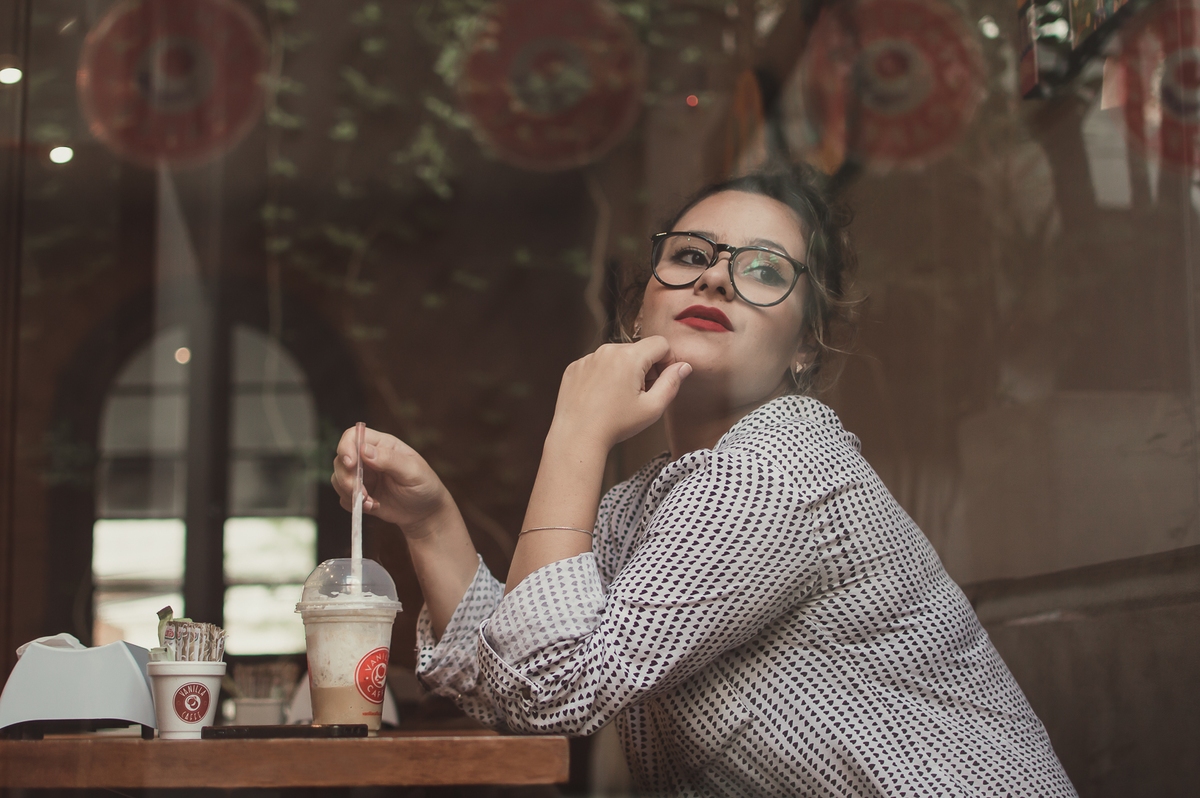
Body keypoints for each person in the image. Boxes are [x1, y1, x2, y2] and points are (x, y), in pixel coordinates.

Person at [331, 165, 1078, 797]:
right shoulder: (653, 501)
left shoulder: (773, 469)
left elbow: (545, 687)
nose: (717, 276)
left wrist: (577, 429)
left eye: (763, 270)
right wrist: (432, 522)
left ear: (803, 353)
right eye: (691, 255)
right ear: (638, 314)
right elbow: (510, 676)